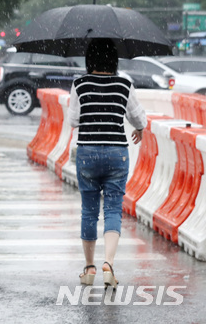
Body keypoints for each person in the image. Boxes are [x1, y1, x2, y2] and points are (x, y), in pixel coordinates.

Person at [68, 38, 146, 288]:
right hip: (116, 153)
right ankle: (108, 264)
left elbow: (73, 120)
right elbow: (138, 117)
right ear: (114, 59)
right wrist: (140, 129)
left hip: (87, 153)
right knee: (113, 209)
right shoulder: (124, 84)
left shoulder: (80, 84)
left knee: (89, 210)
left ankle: (89, 268)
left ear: (89, 59)